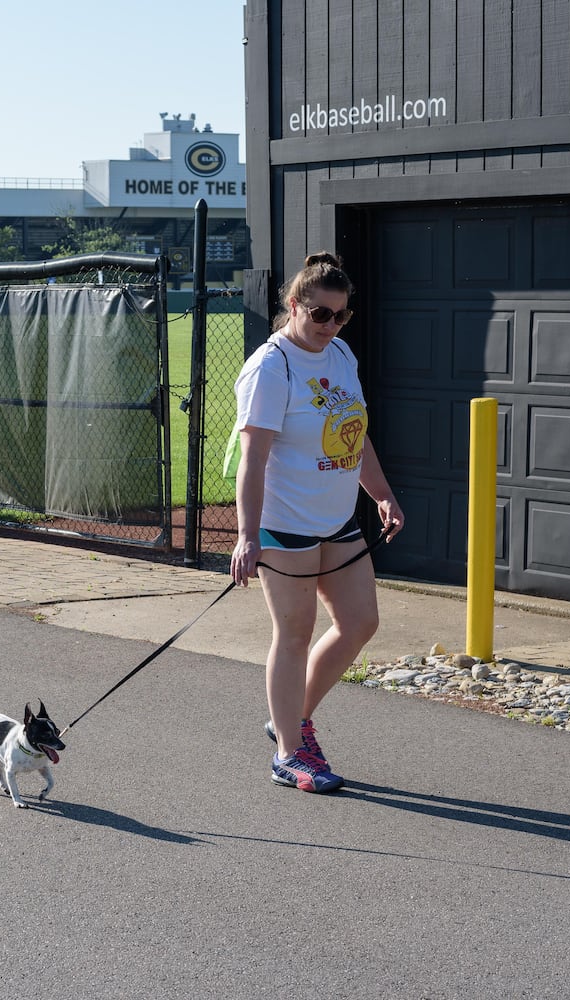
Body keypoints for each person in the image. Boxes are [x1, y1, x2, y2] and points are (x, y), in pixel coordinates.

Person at [229, 251, 405, 793]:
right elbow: (252, 459)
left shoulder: (341, 355)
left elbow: (354, 432)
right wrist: (247, 536)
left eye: (341, 315)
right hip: (286, 525)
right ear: (293, 305)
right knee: (295, 634)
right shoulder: (271, 366)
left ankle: (289, 718)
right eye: (320, 314)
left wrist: (382, 494)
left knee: (359, 623)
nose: (331, 325)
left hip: (338, 520)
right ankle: (289, 751)